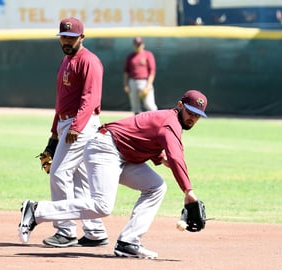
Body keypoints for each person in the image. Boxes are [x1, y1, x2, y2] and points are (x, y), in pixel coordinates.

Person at [19, 90, 208, 259]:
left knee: (156, 186)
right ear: (180, 105)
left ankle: (128, 242)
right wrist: (188, 191)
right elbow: (176, 156)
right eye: (190, 112)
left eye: (197, 116)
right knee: (102, 205)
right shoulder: (171, 122)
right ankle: (36, 211)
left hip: (120, 154)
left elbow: (139, 133)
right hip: (105, 148)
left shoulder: (168, 120)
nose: (192, 118)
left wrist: (159, 158)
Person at [39, 17, 109, 248]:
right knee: (80, 180)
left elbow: (90, 98)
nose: (67, 41)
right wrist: (54, 134)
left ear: (82, 37)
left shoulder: (89, 61)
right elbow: (62, 102)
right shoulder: (66, 61)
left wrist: (76, 127)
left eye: (71, 37)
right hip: (66, 124)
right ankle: (95, 231)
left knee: (58, 173)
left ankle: (66, 230)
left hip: (81, 125)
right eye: (63, 37)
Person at [123, 37, 158, 114]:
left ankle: (157, 121)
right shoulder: (130, 57)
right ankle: (137, 124)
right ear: (133, 45)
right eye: (136, 44)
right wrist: (126, 84)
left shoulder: (148, 54)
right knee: (135, 107)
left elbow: (152, 71)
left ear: (143, 45)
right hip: (132, 82)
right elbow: (126, 72)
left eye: (139, 44)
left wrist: (149, 85)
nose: (138, 46)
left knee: (149, 105)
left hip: (144, 82)